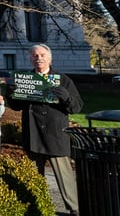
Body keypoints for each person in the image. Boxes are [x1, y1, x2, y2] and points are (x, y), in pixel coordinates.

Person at [7, 44, 82, 216]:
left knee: (65, 178)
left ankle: (74, 210)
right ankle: (37, 208)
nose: (38, 58)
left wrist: (66, 97)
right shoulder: (24, 79)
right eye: (34, 55)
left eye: (42, 55)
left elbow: (77, 107)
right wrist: (13, 94)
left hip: (56, 134)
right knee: (35, 178)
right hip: (33, 134)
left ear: (49, 58)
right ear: (30, 59)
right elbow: (16, 106)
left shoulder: (63, 80)